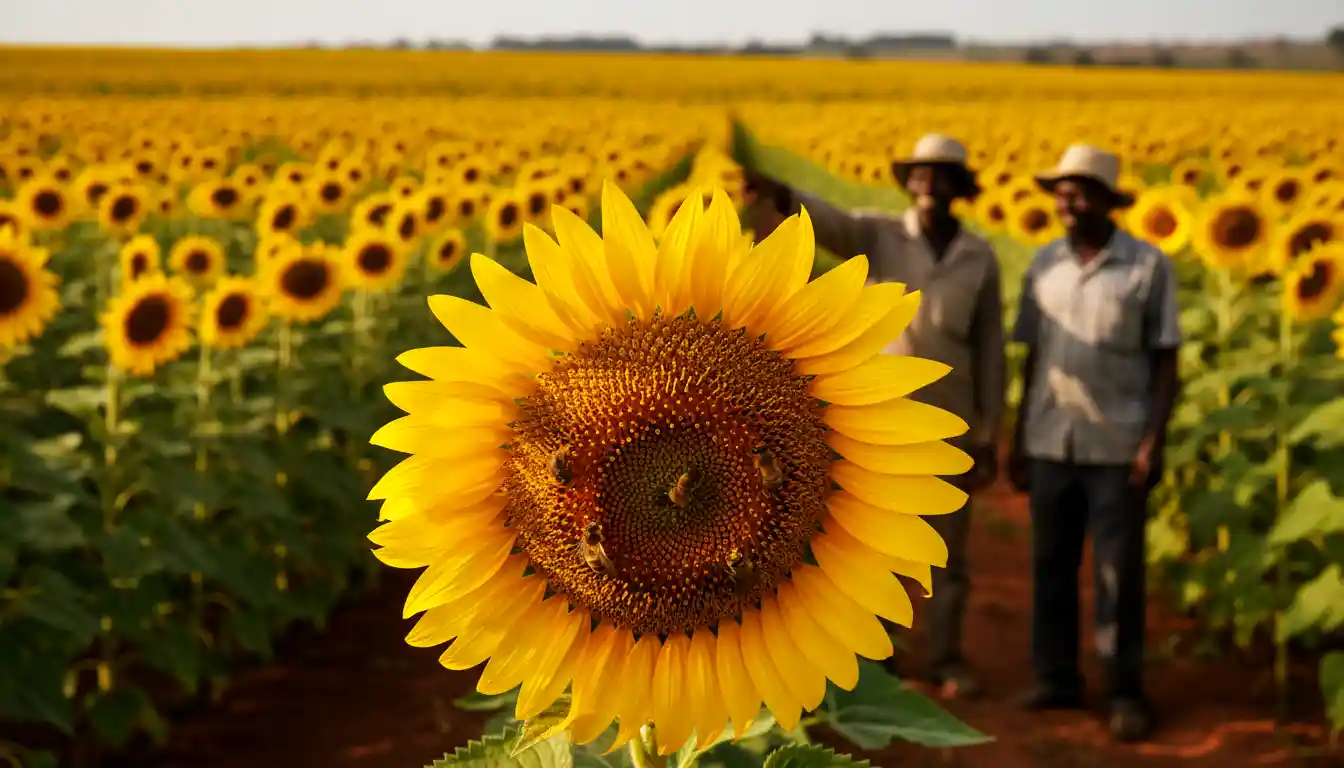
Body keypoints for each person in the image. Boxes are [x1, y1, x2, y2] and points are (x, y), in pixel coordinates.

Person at [745, 133, 1006, 700]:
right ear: (908, 183)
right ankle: (879, 662)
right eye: (921, 174)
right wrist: (778, 189)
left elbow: (990, 350)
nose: (930, 184)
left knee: (947, 552)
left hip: (950, 422)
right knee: (872, 548)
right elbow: (826, 219)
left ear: (960, 189)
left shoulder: (978, 257)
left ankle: (944, 657)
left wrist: (989, 434)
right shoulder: (879, 234)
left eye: (942, 176)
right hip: (877, 421)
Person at [1007, 143, 1181, 742]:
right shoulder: (1042, 265)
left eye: (1079, 190)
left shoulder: (1147, 267)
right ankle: (1057, 677)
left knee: (1116, 574)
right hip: (1052, 439)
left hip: (1116, 445)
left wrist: (1153, 441)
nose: (1066, 200)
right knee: (1051, 566)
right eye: (1060, 190)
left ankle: (1123, 689)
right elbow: (1032, 356)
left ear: (1109, 200)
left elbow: (1165, 361)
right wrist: (1020, 437)